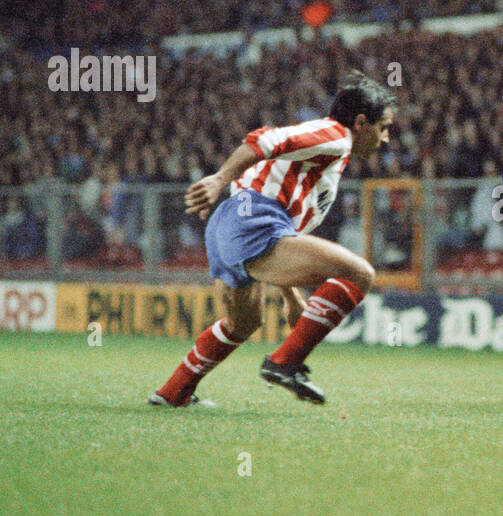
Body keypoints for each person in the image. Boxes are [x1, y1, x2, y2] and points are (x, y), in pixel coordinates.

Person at [150, 71, 396, 407]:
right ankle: (285, 363)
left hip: (234, 222)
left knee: (243, 323)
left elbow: (285, 235)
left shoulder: (328, 161)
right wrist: (219, 178)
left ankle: (172, 393)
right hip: (251, 219)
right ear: (362, 122)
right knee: (359, 274)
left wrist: (291, 296)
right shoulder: (336, 135)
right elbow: (265, 140)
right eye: (383, 128)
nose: (385, 139)